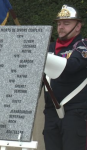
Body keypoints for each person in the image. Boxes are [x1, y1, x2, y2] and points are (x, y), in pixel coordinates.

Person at [43, 4, 87, 150]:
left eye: (66, 23)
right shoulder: (48, 48)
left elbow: (70, 67)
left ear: (78, 27)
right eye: (59, 23)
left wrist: (40, 57)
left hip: (74, 113)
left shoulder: (83, 46)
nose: (61, 27)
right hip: (50, 112)